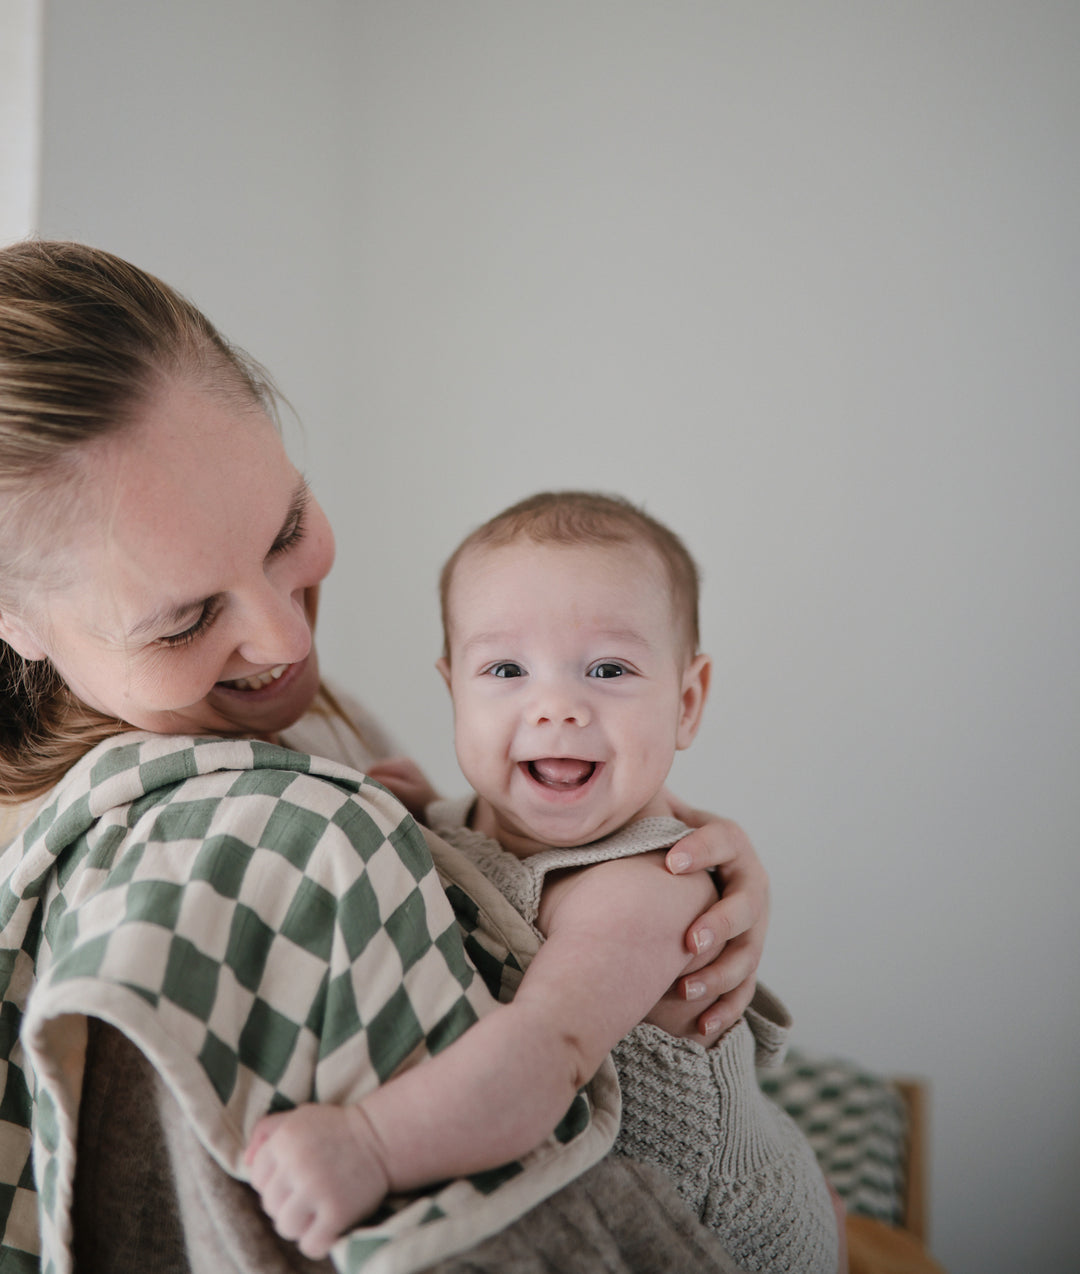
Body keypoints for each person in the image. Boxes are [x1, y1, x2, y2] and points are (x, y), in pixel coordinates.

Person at [0, 240, 773, 1274]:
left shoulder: (315, 728)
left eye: (284, 528)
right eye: (185, 617)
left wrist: (676, 854)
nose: (286, 642)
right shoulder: (240, 842)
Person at [245, 492, 843, 1273]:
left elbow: (542, 1059)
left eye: (608, 669)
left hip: (720, 1236)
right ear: (455, 688)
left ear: (687, 702)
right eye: (505, 669)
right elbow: (491, 875)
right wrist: (424, 814)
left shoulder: (649, 886)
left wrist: (370, 1146)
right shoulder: (471, 818)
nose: (557, 706)